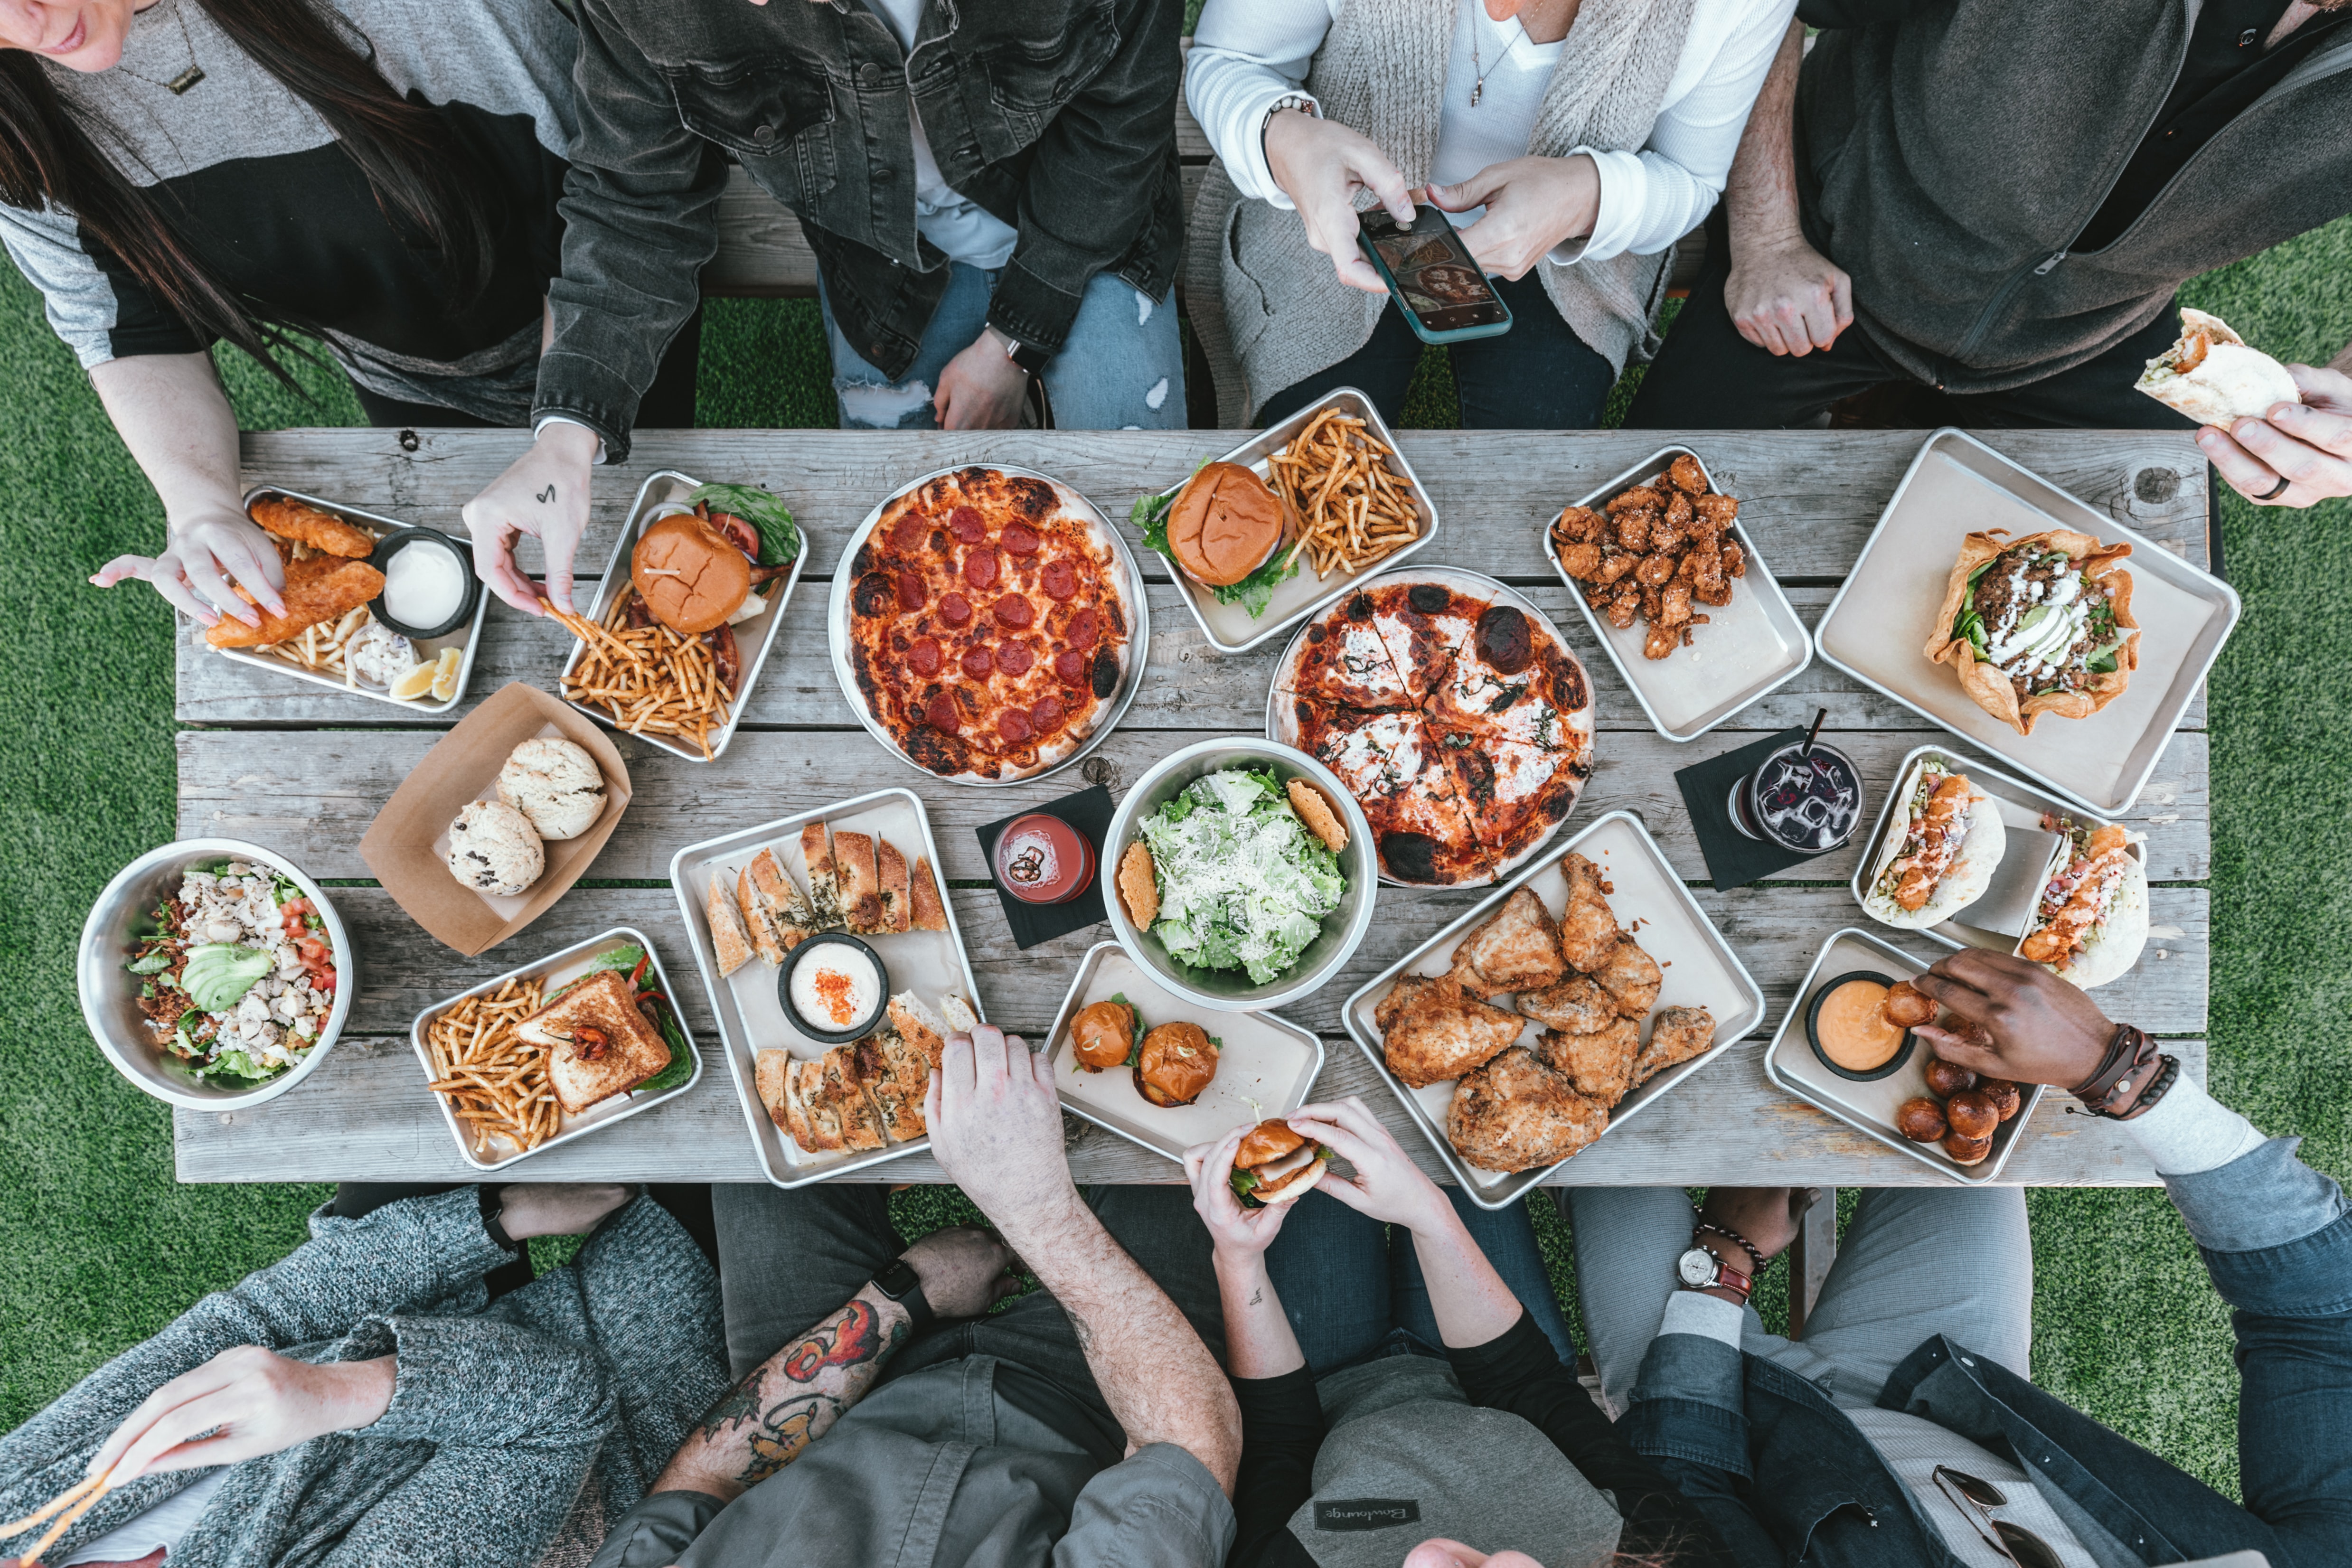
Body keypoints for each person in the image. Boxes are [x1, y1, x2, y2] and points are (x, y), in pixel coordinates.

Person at [1567, 949, 2352, 1568]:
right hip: (1939, 1388)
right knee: (1955, 1096)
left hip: (1726, 1424)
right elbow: (2320, 1319)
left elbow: (1687, 1488)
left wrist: (1724, 1264)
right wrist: (2110, 1068)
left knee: (1585, 1126)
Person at [462, 0, 1190, 620]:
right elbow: (635, 200)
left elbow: (1121, 120)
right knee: (908, 579)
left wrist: (1013, 343)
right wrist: (565, 435)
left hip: (1089, 228)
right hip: (885, 272)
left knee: (1151, 531)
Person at [0, 0, 688, 632]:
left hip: (605, 323)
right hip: (401, 375)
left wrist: (567, 429)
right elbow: (127, 325)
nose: (26, 26)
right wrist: (199, 504)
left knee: (650, 572)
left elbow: (616, 201)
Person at [1625, 4, 2352, 510]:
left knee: (2134, 638)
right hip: (1831, 242)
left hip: (2095, 328)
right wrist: (1766, 235)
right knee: (1638, 514)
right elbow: (1765, 7)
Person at [585, 1024, 1241, 1568]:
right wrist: (1033, 1205)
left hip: (824, 1411)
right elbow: (1183, 1448)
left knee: (762, 1091)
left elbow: (704, 1483)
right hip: (1099, 1412)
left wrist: (901, 1299)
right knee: (1187, 1122)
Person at [0, 1183, 727, 1568]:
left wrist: (492, 1220)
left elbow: (255, 1319)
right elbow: (561, 1406)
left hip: (425, 1320)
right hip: (625, 1362)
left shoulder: (16, 1513)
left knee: (439, 1062)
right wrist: (329, 1393)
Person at [1182, 0, 1797, 431]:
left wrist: (1585, 196)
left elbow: (1688, 179)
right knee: (1315, 481)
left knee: (1531, 490)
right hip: (1330, 227)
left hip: (1567, 261)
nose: (1497, 12)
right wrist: (1286, 139)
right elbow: (1230, 62)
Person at [1186, 1098, 1732, 1568]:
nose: (1425, 1556)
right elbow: (1527, 1387)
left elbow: (1279, 1440)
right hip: (1496, 1377)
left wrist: (1238, 1261)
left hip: (1321, 1385)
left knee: (1297, 1104)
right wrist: (1428, 1213)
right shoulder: (1656, 1552)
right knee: (1447, 1121)